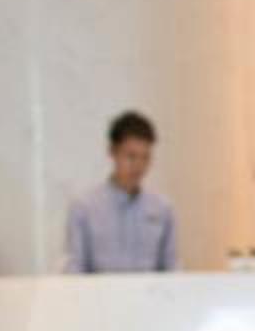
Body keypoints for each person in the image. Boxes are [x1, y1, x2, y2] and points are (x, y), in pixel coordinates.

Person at [63, 111, 177, 274]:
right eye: (131, 156)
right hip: (100, 290)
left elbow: (171, 267)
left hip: (149, 290)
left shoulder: (163, 209)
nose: (138, 166)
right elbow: (75, 268)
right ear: (112, 152)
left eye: (145, 157)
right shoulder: (84, 208)